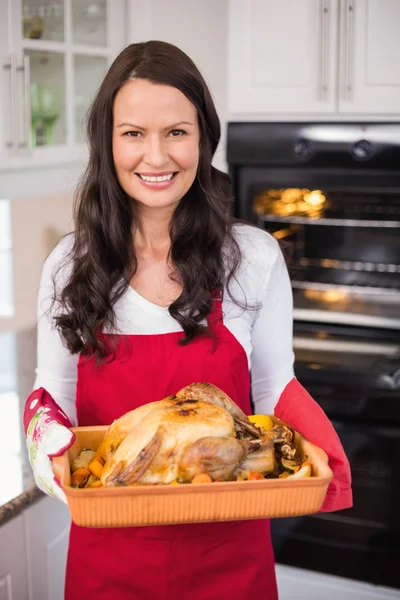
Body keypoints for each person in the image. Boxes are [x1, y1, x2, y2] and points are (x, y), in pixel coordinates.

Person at [23, 40, 352, 600]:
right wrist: (47, 457)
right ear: (107, 143)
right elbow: (54, 394)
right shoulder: (70, 265)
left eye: (176, 132)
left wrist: (317, 461)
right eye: (133, 134)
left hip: (229, 559)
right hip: (110, 559)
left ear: (203, 140)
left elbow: (273, 391)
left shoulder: (250, 257)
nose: (156, 157)